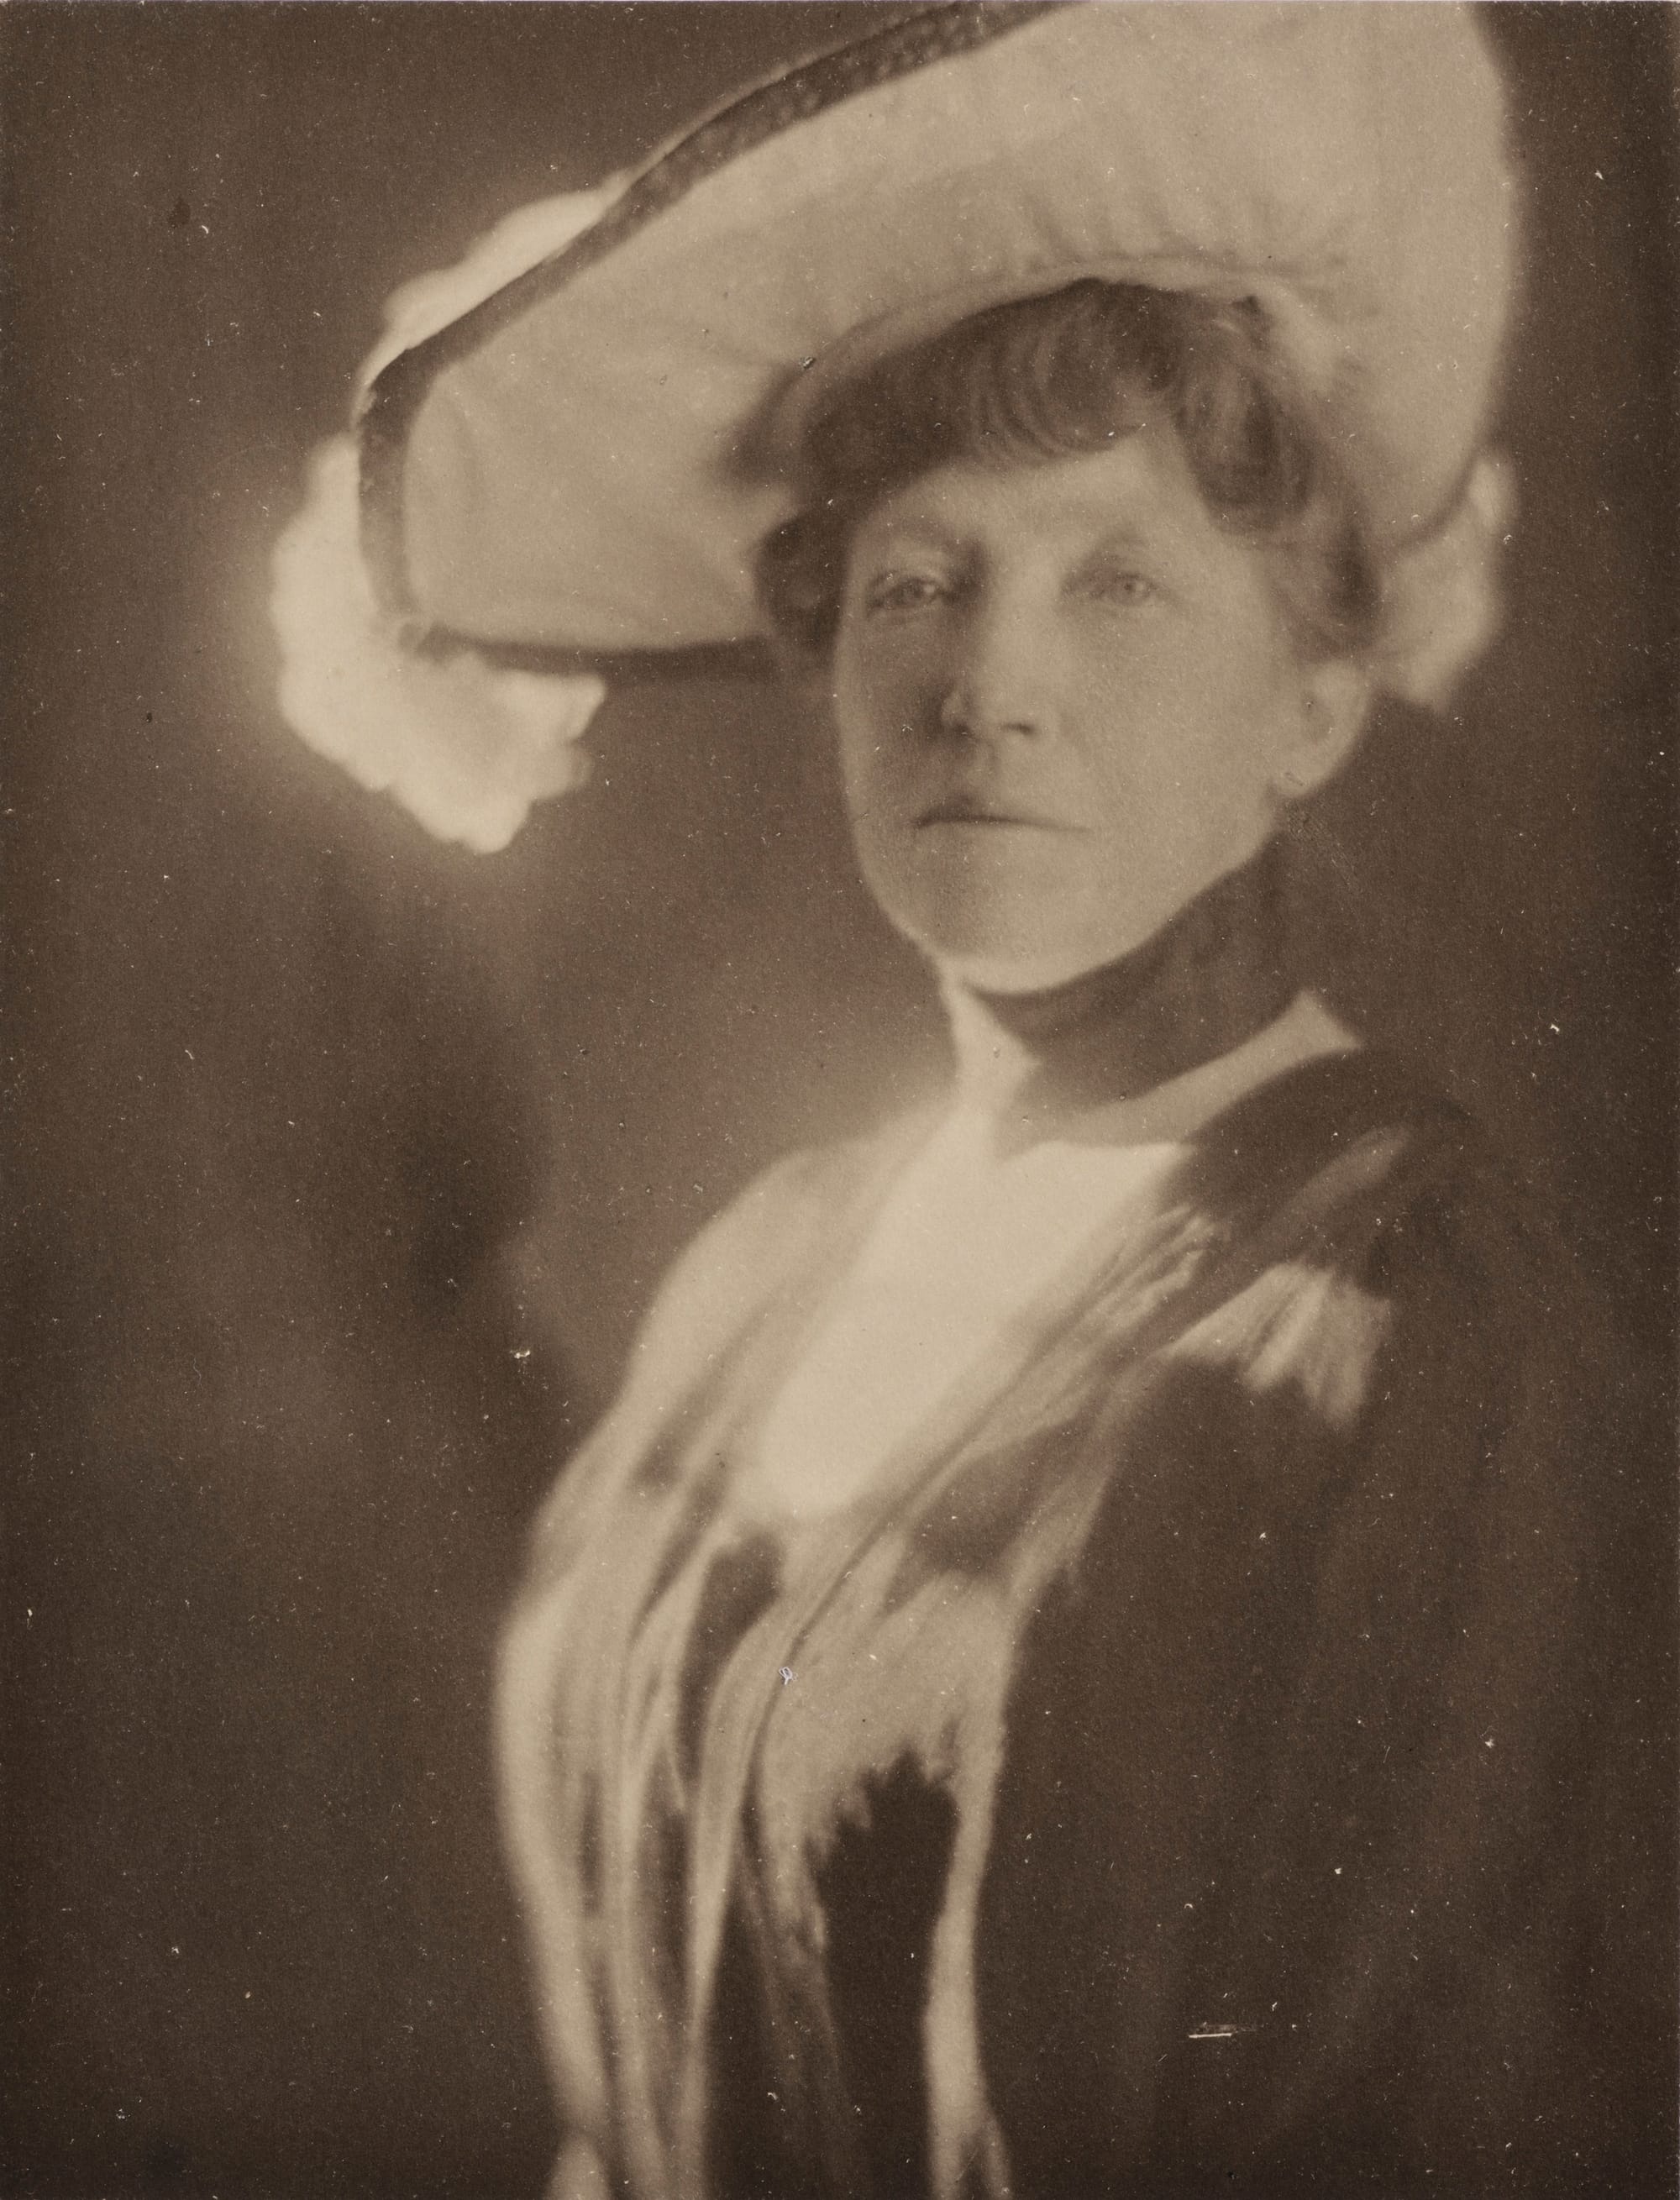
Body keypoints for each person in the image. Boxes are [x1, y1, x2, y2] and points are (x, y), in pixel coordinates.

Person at [270, 8, 1671, 2194]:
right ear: (828, 653)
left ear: (1313, 697)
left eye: (1119, 579)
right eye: (920, 579)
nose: (992, 681)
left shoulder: (1422, 1351)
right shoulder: (759, 1276)